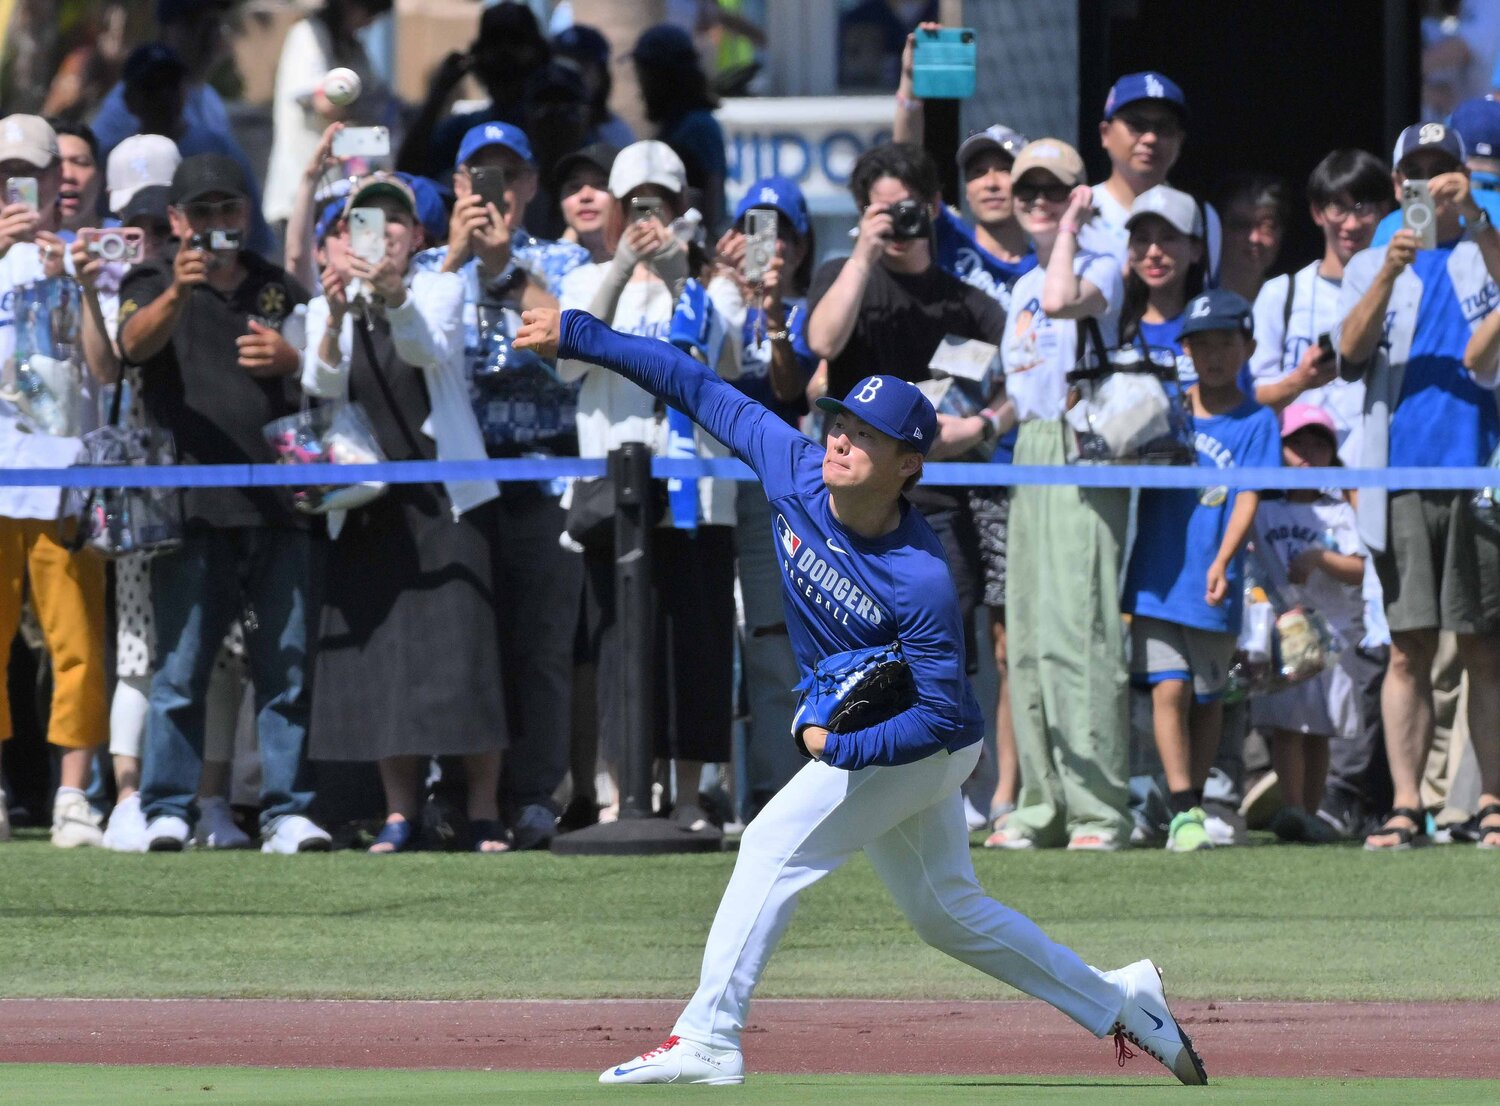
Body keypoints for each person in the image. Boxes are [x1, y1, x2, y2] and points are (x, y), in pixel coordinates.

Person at [514, 305, 1207, 1089]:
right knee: (945, 912)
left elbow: (942, 716)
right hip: (895, 734)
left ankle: (708, 1035)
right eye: (840, 424)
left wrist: (838, 748)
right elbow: (693, 384)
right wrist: (580, 335)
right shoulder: (792, 465)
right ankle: (1120, 997)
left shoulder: (919, 578)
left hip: (925, 743)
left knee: (771, 844)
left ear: (909, 463)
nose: (841, 440)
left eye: (866, 435)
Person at [117, 153, 329, 853]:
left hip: (281, 503)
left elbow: (328, 366)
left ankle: (284, 812)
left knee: (287, 665)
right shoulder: (152, 279)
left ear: (244, 212)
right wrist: (179, 293)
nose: (216, 224)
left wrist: (293, 362)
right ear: (176, 221)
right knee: (180, 669)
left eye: (227, 209)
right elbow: (128, 346)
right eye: (200, 212)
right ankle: (168, 807)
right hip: (193, 506)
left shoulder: (277, 286)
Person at [302, 172, 508, 853]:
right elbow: (320, 383)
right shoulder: (326, 303)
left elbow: (427, 347)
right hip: (368, 508)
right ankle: (399, 813)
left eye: (396, 222)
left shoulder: (438, 286)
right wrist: (334, 314)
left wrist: (392, 293)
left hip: (446, 502)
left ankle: (482, 811)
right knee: (386, 664)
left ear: (418, 235)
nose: (382, 232)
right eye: (366, 222)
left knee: (464, 658)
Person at [557, 139, 740, 832]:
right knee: (615, 642)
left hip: (698, 493)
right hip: (614, 491)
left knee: (694, 643)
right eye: (635, 205)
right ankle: (615, 790)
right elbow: (570, 364)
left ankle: (689, 794)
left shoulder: (707, 288)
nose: (646, 217)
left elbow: (724, 368)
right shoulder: (584, 280)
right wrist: (625, 270)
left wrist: (680, 277)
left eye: (660, 205)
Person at [1337, 119, 1500, 851]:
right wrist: (1387, 268)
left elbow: (1485, 348)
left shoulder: (1481, 245)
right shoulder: (1377, 251)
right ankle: (1406, 805)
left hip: (1480, 475)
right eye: (1418, 172)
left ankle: (1492, 801)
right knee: (1407, 645)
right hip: (1397, 474)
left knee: (1484, 645)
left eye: (1444, 170)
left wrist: (1480, 214)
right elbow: (1347, 352)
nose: (1429, 184)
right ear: (1399, 181)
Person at [432, 121, 583, 849]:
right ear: (457, 187)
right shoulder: (434, 261)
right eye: (477, 176)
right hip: (456, 484)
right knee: (457, 644)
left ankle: (533, 796)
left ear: (529, 187)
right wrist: (462, 259)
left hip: (546, 473)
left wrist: (508, 270)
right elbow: (410, 348)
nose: (494, 190)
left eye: (509, 176)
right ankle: (450, 792)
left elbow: (572, 350)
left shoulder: (562, 258)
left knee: (541, 648)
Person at [806, 142, 1007, 683]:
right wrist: (862, 256)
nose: (898, 221)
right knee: (849, 671)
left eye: (908, 207)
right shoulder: (842, 276)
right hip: (848, 509)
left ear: (936, 206)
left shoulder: (972, 304)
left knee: (941, 672)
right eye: (882, 210)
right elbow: (823, 339)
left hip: (938, 509)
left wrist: (983, 426)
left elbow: (1026, 387)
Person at [981, 140, 1129, 852]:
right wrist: (977, 424)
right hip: (1032, 448)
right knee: (1031, 635)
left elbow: (1065, 302)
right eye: (1027, 188)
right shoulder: (1017, 284)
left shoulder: (1099, 259)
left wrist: (1072, 228)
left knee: (1082, 626)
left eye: (1054, 189)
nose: (1037, 200)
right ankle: (1042, 803)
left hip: (1084, 447)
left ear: (1079, 194)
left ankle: (1099, 809)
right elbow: (1023, 387)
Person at [1122, 289, 1281, 852]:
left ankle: (1198, 801)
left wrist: (1222, 560)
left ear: (1249, 348)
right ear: (1185, 349)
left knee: (1208, 697)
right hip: (1155, 579)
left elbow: (1247, 496)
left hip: (1214, 580)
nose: (1213, 355)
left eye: (1226, 343)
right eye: (1202, 344)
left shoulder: (1259, 420)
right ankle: (1183, 810)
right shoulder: (1168, 409)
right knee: (1168, 690)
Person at [0, 114, 110, 848]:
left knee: (80, 644)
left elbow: (107, 368)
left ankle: (73, 795)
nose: (27, 187)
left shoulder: (86, 255)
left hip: (68, 472)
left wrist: (83, 285)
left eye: (35, 173)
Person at [708, 176, 819, 817]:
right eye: (753, 229)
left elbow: (791, 390)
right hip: (706, 479)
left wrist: (773, 312)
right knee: (710, 633)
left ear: (802, 247)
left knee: (774, 638)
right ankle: (710, 785)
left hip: (772, 487)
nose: (768, 245)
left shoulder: (803, 310)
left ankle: (782, 787)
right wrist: (721, 284)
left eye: (782, 233)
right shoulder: (716, 297)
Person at [1251, 405, 1366, 844]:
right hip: (1282, 634)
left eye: (1318, 444)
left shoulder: (1338, 511)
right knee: (1288, 727)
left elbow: (1360, 569)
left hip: (1332, 632)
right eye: (1296, 443)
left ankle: (1311, 813)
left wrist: (1320, 559)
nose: (1306, 454)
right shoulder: (1263, 509)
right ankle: (1293, 808)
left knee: (1320, 728)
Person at [109, 43, 276, 258]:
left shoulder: (217, 147)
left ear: (184, 90)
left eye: (171, 84)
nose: (163, 96)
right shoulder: (119, 157)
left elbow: (253, 237)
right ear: (129, 98)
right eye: (151, 87)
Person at [1077, 72, 1222, 283]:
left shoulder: (1201, 215)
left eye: (1164, 127)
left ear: (1180, 140)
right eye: (1137, 125)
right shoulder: (1078, 209)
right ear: (1105, 134)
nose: (1151, 138)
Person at [263, 0, 395, 231]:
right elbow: (325, 103)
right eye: (370, 10)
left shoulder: (353, 47)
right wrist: (356, 105)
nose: (370, 21)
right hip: (300, 196)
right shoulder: (307, 35)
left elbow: (381, 103)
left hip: (340, 196)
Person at [400, 2, 551, 181]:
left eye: (515, 43)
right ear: (477, 59)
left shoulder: (553, 125)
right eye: (494, 45)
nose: (504, 57)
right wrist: (440, 92)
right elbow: (408, 173)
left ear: (539, 56)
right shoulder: (462, 130)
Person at [90, 0, 241, 157]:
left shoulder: (212, 102)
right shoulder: (139, 95)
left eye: (214, 23)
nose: (207, 35)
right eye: (193, 23)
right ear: (165, 31)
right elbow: (97, 160)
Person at [629, 23, 728, 234]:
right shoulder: (673, 126)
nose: (641, 85)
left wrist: (706, 244)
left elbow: (712, 194)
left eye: (645, 73)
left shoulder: (698, 127)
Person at [1372, 95, 1500, 246]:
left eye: (1439, 171)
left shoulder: (1389, 226)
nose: (1429, 183)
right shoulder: (1389, 229)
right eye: (1414, 174)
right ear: (1397, 183)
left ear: (1464, 174)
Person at [552, 24, 636, 149]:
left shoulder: (616, 134)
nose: (571, 75)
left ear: (601, 75)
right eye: (562, 66)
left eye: (583, 67)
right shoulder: (537, 122)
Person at [1215, 174, 1289, 303]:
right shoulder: (1191, 299)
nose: (1254, 238)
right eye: (1240, 225)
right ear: (1219, 229)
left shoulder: (1288, 305)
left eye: (1267, 226)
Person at [49, 121, 105, 235]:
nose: (68, 175)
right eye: (54, 164)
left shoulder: (132, 240)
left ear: (99, 177)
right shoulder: (13, 247)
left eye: (80, 162)